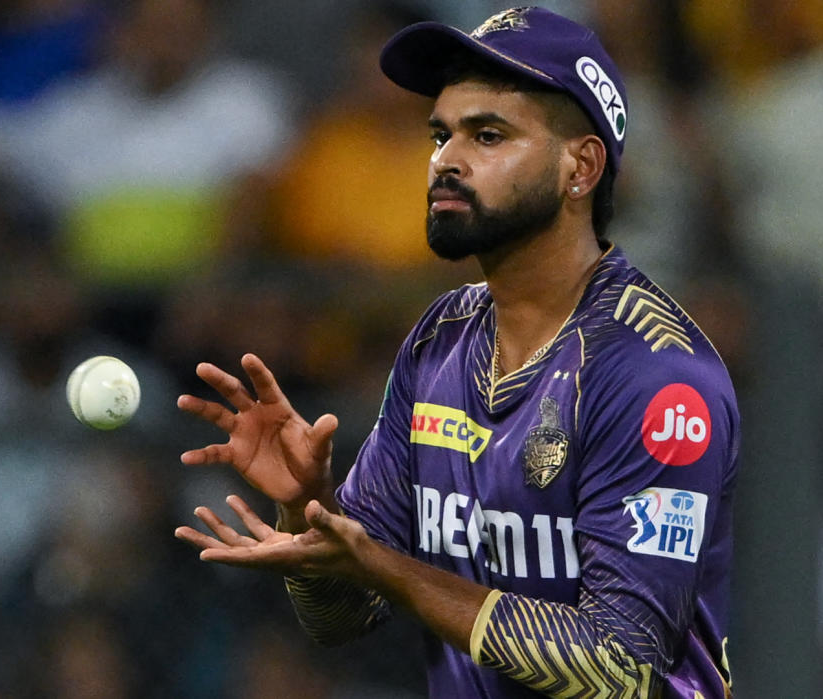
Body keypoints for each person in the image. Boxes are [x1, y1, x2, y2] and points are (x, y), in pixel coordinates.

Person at [175, 7, 739, 698]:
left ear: (581, 167)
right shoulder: (441, 337)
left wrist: (388, 566)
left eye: (489, 135)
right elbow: (342, 615)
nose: (446, 160)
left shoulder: (657, 373)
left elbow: (622, 663)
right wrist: (309, 513)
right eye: (440, 134)